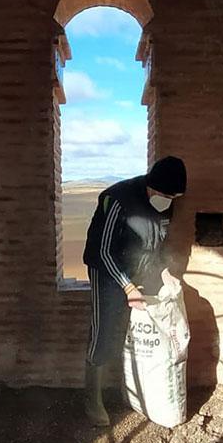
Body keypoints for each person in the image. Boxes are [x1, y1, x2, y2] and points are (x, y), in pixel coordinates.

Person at [80, 156, 187, 426]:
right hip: (108, 272)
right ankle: (92, 400)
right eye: (165, 196)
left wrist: (164, 272)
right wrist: (127, 287)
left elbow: (159, 245)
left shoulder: (165, 206)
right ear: (152, 186)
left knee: (136, 331)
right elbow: (103, 252)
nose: (168, 201)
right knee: (104, 331)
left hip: (141, 269)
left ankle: (130, 388)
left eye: (173, 197)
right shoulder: (118, 199)